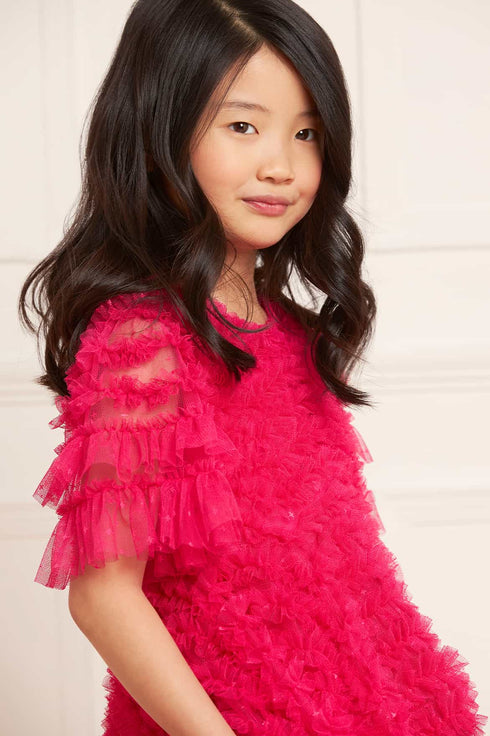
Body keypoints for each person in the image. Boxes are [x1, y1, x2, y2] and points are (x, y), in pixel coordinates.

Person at [19, 1, 487, 734]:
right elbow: (104, 595)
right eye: (243, 126)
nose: (282, 166)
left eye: (307, 133)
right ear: (158, 133)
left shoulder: (291, 331)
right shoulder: (144, 341)